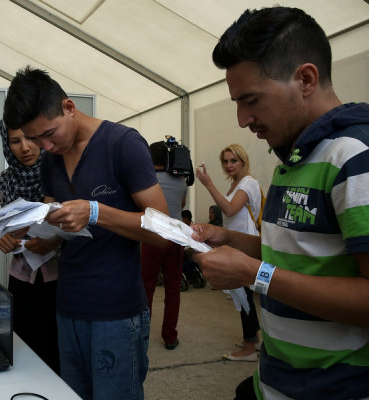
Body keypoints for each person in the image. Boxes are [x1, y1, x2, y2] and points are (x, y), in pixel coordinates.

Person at [192, 6, 369, 399]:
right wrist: (229, 240)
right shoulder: (294, 156)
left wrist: (255, 273)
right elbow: (300, 256)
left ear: (306, 78)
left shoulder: (355, 156)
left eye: (250, 99)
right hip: (276, 381)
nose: (242, 119)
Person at [3, 66, 168, 400]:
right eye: (35, 139)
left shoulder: (122, 143)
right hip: (67, 306)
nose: (45, 146)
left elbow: (163, 229)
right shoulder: (51, 160)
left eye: (49, 134)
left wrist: (96, 211)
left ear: (68, 107)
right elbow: (56, 223)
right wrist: (39, 237)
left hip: (115, 311)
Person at [0, 119, 60, 374]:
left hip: (59, 281)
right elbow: (5, 231)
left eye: (30, 138)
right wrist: (5, 240)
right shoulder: (7, 182)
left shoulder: (59, 175)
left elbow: (80, 228)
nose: (25, 147)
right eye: (15, 141)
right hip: (22, 280)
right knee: (23, 352)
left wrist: (55, 242)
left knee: (55, 354)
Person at [196, 145, 261, 362]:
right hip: (236, 244)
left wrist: (208, 184)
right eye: (225, 161)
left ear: (243, 161)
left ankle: (250, 346)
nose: (229, 165)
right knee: (242, 294)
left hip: (245, 246)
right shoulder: (235, 184)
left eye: (233, 160)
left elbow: (230, 209)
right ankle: (254, 339)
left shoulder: (248, 183)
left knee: (244, 296)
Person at [140, 141, 187, 350]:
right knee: (173, 290)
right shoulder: (181, 181)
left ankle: (142, 335)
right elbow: (182, 205)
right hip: (177, 238)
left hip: (153, 238)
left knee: (146, 288)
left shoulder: (147, 181)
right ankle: (170, 337)